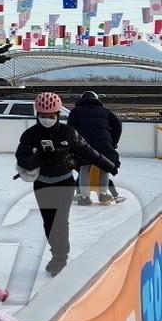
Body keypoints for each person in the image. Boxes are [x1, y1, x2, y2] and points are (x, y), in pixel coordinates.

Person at [15, 92, 116, 276]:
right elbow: (22, 160)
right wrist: (38, 159)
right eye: (43, 116)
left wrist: (108, 164)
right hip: (42, 184)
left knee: (60, 222)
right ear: (37, 115)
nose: (47, 119)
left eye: (51, 116)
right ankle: (56, 253)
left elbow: (88, 151)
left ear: (58, 115)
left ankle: (61, 258)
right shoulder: (30, 135)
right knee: (49, 222)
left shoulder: (68, 133)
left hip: (65, 183)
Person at [67, 90, 124, 205]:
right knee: (104, 168)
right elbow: (118, 125)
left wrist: (72, 146)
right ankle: (103, 195)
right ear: (97, 100)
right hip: (104, 146)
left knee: (84, 168)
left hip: (83, 146)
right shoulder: (106, 112)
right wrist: (112, 142)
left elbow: (70, 130)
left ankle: (84, 197)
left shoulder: (75, 111)